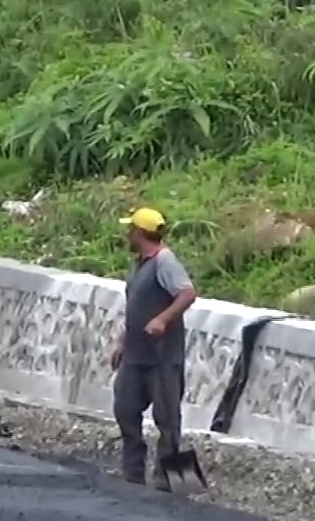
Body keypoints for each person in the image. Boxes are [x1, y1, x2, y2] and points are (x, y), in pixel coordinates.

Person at [109, 206, 198, 489]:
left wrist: (162, 319)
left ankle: (176, 483)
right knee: (125, 409)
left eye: (130, 230)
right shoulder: (140, 264)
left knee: (168, 420)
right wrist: (123, 342)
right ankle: (133, 474)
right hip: (136, 354)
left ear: (139, 232)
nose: (127, 235)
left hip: (162, 357)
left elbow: (187, 293)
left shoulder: (165, 261)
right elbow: (134, 308)